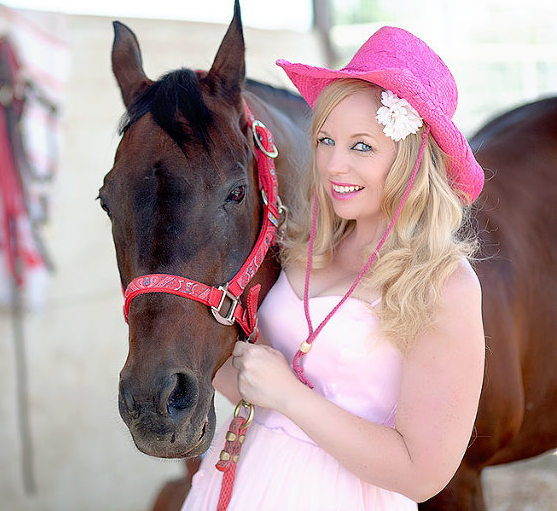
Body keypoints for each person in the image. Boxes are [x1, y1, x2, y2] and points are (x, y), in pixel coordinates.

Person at [181, 26, 486, 510]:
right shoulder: (301, 244)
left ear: (411, 159)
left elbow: (422, 473)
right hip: (243, 480)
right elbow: (255, 387)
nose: (333, 165)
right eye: (325, 140)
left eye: (361, 146)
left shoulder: (443, 283)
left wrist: (290, 396)